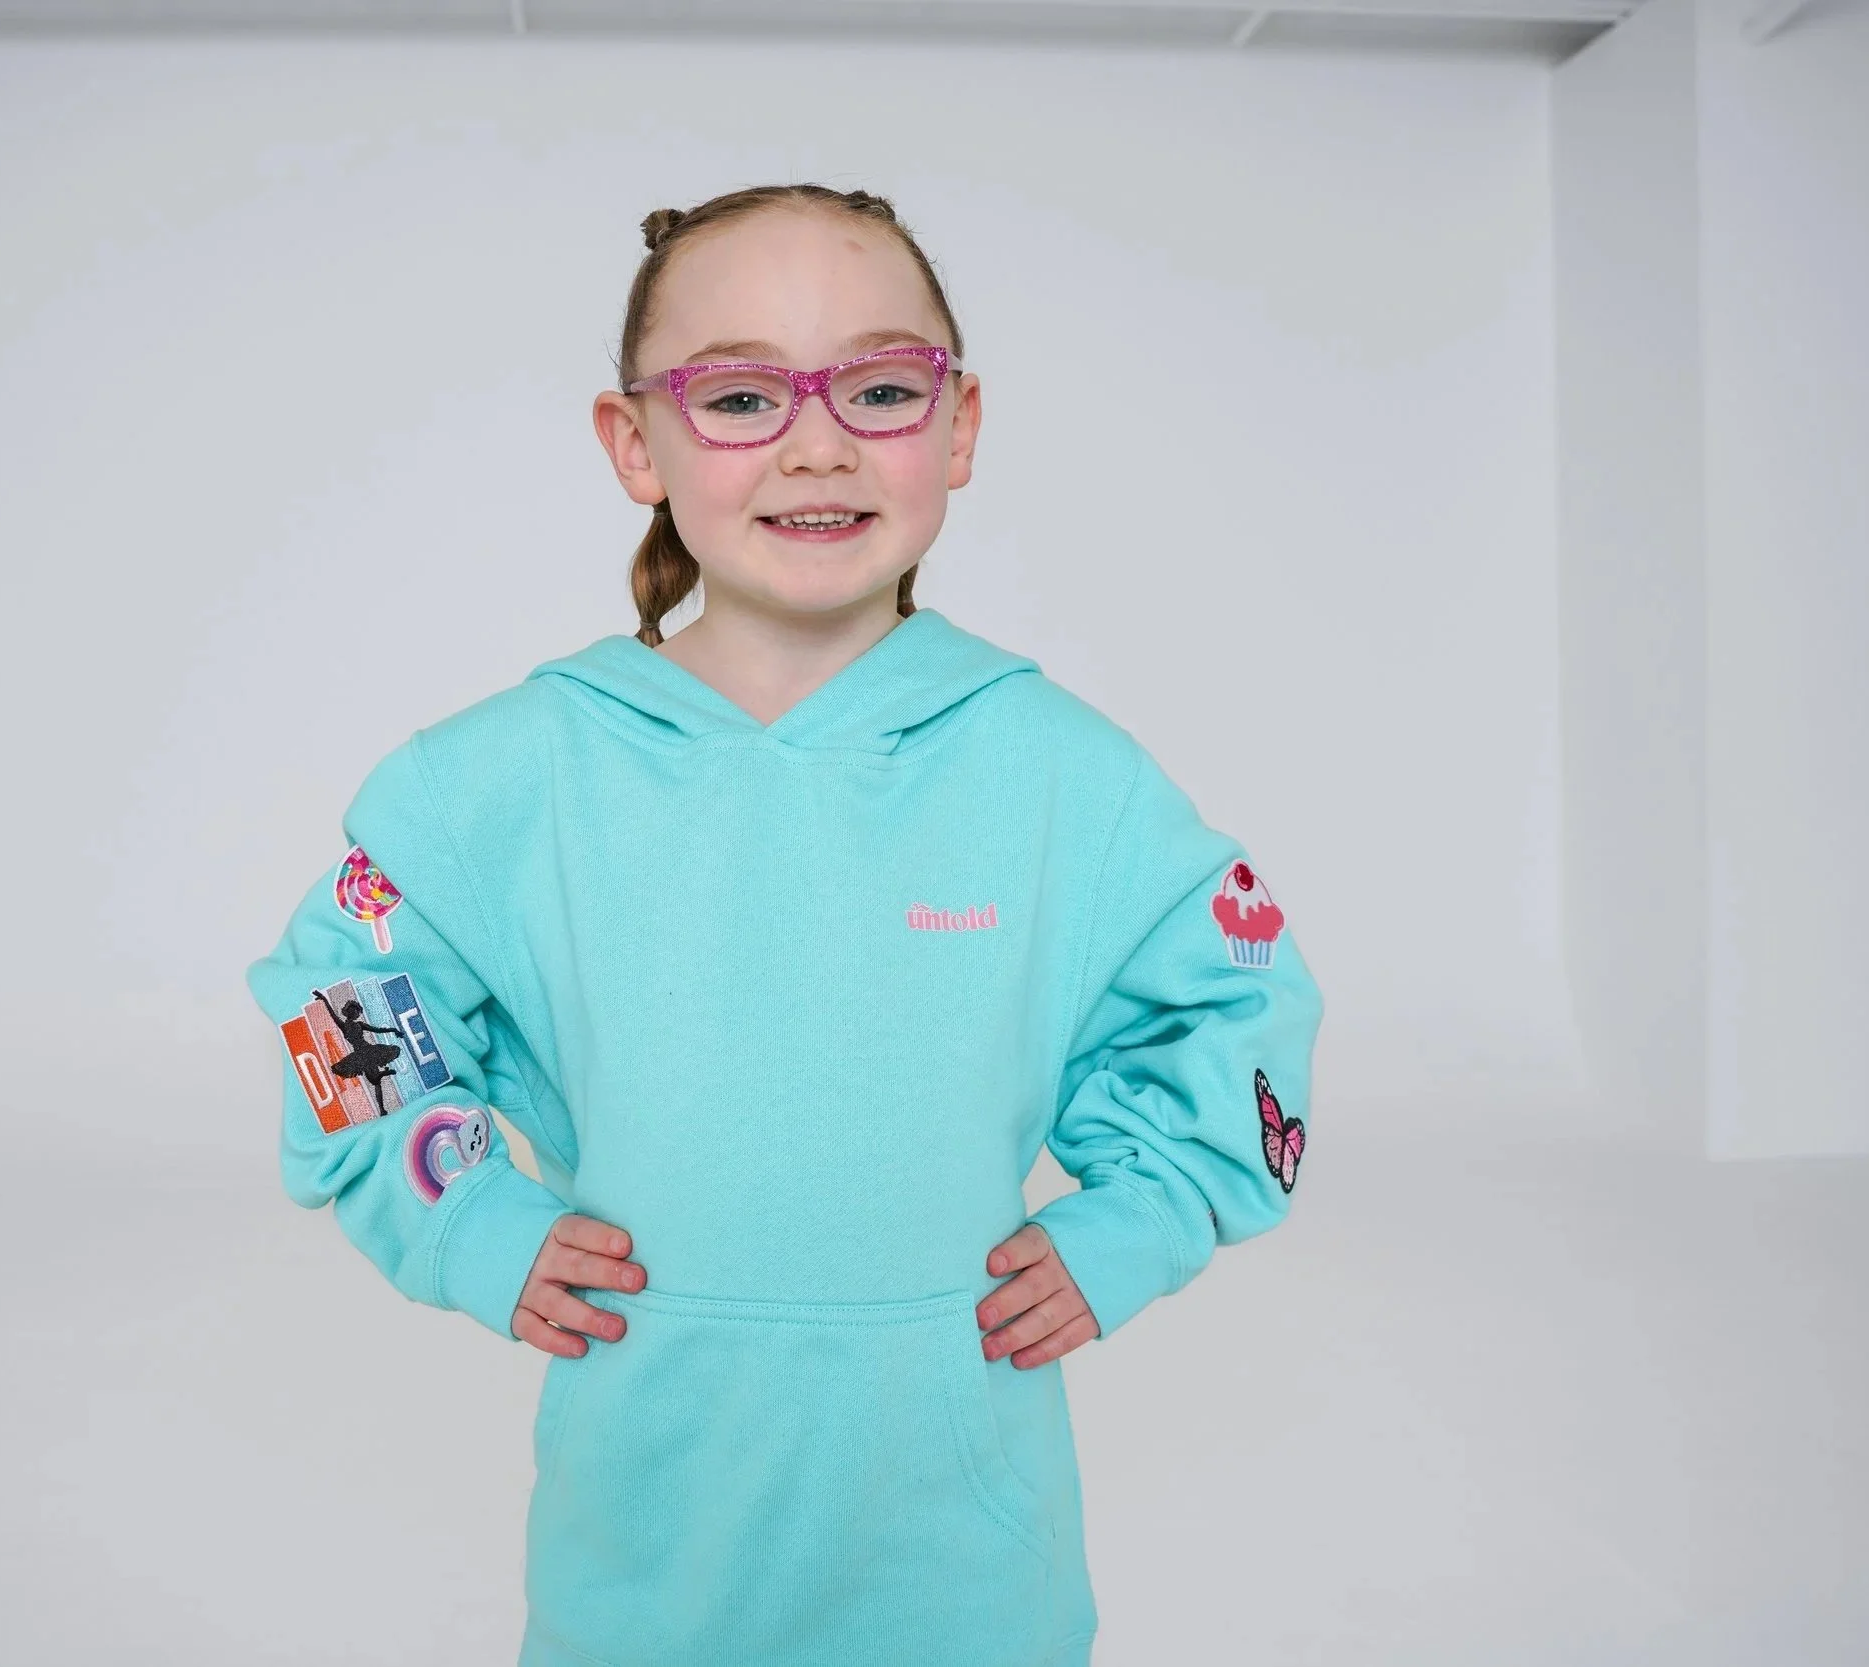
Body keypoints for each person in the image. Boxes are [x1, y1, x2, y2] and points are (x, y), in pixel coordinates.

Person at [243, 182, 1326, 1667]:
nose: (818, 444)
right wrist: (466, 1218)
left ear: (959, 425)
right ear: (637, 442)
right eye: (743, 397)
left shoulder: (1065, 777)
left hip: (967, 1561)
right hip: (646, 1544)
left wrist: (1141, 1217)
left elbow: (1236, 991)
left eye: (879, 389)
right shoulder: (508, 778)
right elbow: (343, 998)